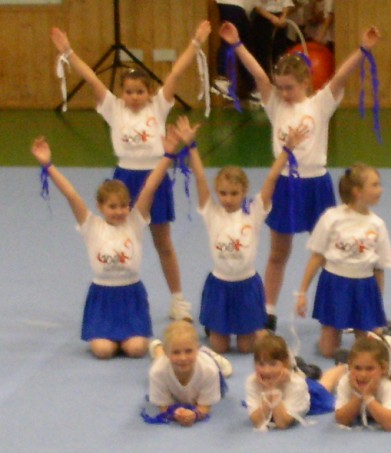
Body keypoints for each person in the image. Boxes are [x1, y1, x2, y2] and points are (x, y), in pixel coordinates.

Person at [219, 21, 381, 332]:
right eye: (280, 87)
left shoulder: (320, 104)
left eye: (289, 87)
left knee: (333, 252)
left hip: (316, 184)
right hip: (284, 185)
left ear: (306, 81)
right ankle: (268, 310)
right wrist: (237, 44)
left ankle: (340, 310)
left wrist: (363, 50)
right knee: (279, 252)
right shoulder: (275, 105)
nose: (283, 92)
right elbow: (258, 75)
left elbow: (341, 76)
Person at [50, 20, 212, 321]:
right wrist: (69, 53)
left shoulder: (158, 106)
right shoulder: (113, 108)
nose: (134, 96)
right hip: (124, 179)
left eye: (140, 91)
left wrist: (196, 43)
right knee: (117, 239)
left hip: (155, 177)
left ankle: (178, 300)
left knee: (163, 242)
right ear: (121, 93)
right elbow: (91, 78)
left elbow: (176, 74)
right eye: (129, 91)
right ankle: (117, 291)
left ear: (150, 93)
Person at [30, 126, 181, 359]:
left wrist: (167, 156)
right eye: (112, 207)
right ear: (100, 207)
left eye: (123, 206)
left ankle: (139, 340)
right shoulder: (92, 226)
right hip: (103, 298)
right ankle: (108, 337)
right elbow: (71, 195)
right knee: (103, 351)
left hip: (131, 295)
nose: (119, 211)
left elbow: (150, 186)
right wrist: (48, 165)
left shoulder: (135, 222)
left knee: (136, 349)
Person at [180, 115, 309, 353]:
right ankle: (217, 324)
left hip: (247, 286)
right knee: (219, 347)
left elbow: (271, 178)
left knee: (246, 347)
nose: (227, 199)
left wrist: (287, 150)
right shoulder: (212, 212)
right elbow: (200, 177)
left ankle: (249, 326)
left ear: (244, 191)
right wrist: (191, 146)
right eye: (223, 193)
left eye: (234, 193)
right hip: (220, 285)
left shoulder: (255, 211)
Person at [295, 163, 391, 358]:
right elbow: (316, 257)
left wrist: (376, 306)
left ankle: (390, 337)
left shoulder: (377, 225)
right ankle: (332, 333)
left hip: (364, 287)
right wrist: (302, 293)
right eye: (374, 185)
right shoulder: (332, 218)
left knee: (366, 350)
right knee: (328, 351)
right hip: (334, 285)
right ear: (357, 191)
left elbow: (379, 269)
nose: (380, 190)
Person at [245, 333, 346, 430]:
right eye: (261, 364)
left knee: (324, 385)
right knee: (307, 373)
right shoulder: (253, 381)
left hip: (310, 398)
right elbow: (257, 421)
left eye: (273, 364)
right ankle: (302, 367)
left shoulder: (297, 384)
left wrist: (274, 390)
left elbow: (282, 423)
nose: (266, 371)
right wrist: (269, 391)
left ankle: (342, 365)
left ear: (285, 363)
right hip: (287, 385)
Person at [147, 321, 232, 426]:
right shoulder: (157, 372)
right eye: (176, 352)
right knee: (159, 361)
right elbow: (163, 407)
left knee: (227, 370)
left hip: (206, 361)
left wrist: (195, 415)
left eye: (188, 351)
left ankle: (209, 354)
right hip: (164, 363)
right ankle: (158, 349)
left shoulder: (209, 370)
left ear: (197, 349)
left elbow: (205, 406)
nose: (183, 358)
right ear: (167, 352)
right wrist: (175, 414)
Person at [212, 1, 256, 100]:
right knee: (230, 40)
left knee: (244, 45)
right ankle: (222, 78)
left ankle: (252, 86)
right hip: (231, 4)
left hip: (239, 6)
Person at [250, 0, 295, 75]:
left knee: (279, 52)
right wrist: (271, 17)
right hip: (263, 19)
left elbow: (287, 3)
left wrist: (283, 16)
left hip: (280, 19)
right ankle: (263, 76)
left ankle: (278, 76)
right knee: (262, 51)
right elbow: (256, 5)